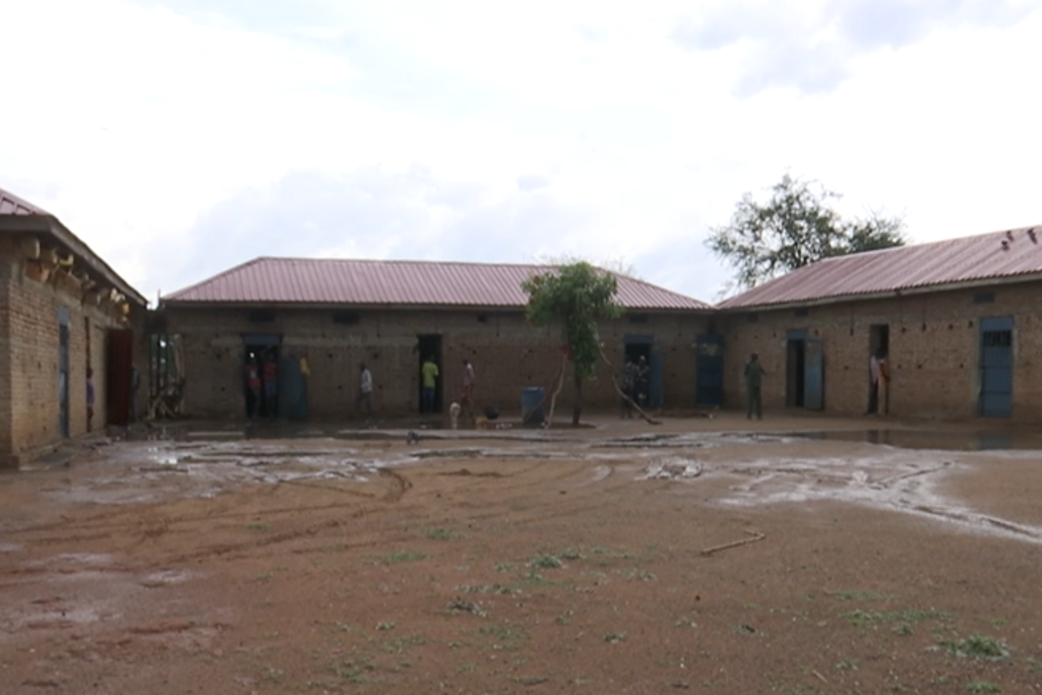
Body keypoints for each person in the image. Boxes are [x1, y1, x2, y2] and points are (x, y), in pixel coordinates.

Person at [744, 352, 765, 420]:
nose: (756, 358)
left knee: (758, 400)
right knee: (750, 400)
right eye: (755, 357)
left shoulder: (757, 364)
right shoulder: (748, 364)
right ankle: (749, 414)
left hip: (757, 384)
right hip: (751, 384)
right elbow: (745, 372)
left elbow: (762, 371)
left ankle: (759, 414)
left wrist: (765, 373)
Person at [262, 351, 278, 417]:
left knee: (273, 398)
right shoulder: (265, 364)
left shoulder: (275, 365)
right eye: (270, 357)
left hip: (273, 382)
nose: (271, 358)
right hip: (268, 382)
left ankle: (272, 413)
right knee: (268, 398)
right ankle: (269, 413)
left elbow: (278, 372)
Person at [866, 350, 881, 415]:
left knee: (874, 394)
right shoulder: (875, 360)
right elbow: (876, 370)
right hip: (876, 379)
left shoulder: (874, 360)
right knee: (874, 394)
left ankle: (873, 409)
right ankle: (873, 409)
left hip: (875, 379)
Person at [877, 351, 890, 415]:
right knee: (882, 397)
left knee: (882, 397)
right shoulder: (882, 361)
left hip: (882, 380)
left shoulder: (882, 361)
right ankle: (881, 411)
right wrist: (886, 377)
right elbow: (882, 370)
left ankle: (882, 410)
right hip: (882, 380)